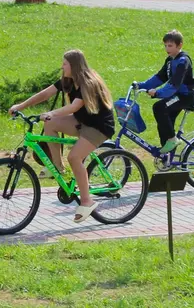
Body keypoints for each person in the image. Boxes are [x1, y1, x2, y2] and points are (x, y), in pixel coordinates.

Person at [9, 49, 115, 223]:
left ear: (73, 65)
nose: (62, 66)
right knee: (50, 124)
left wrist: (52, 112)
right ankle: (58, 168)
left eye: (64, 63)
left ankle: (87, 201)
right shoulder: (68, 80)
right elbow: (45, 94)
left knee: (75, 157)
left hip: (98, 126)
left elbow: (73, 107)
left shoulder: (88, 82)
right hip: (81, 121)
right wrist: (20, 106)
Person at [137, 30, 194, 168]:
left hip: (185, 96)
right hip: (176, 96)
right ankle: (167, 154)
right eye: (165, 46)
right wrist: (142, 85)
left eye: (170, 46)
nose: (166, 49)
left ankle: (172, 140)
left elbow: (174, 84)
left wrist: (158, 93)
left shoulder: (183, 61)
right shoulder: (170, 60)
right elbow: (160, 77)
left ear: (179, 45)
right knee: (164, 119)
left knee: (159, 107)